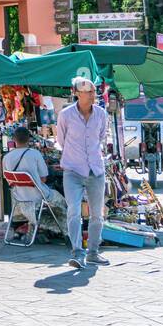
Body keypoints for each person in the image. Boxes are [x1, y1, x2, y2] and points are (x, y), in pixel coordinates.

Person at [56, 76, 110, 269]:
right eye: (87, 92)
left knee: (97, 214)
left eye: (93, 91)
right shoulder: (65, 115)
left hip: (96, 169)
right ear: (76, 94)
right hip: (72, 169)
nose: (91, 95)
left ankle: (93, 252)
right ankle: (77, 252)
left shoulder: (101, 114)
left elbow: (102, 137)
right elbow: (61, 140)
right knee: (73, 211)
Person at [3, 126, 67, 235]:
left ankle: (40, 227)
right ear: (29, 139)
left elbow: (9, 180)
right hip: (38, 197)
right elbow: (43, 179)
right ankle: (64, 229)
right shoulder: (34, 154)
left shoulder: (7, 157)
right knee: (61, 199)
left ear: (13, 139)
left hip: (19, 199)